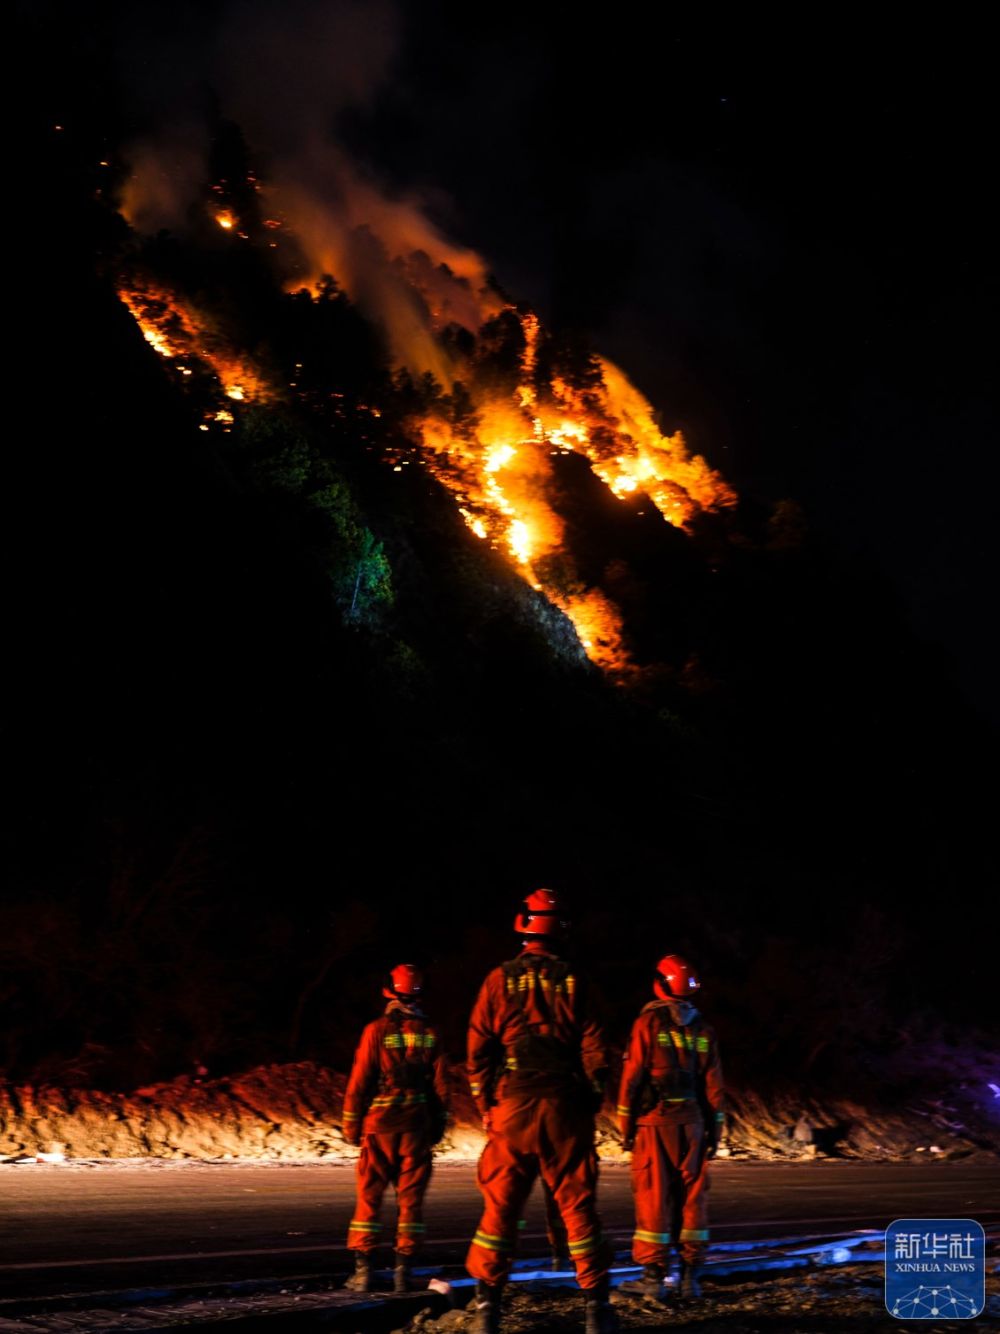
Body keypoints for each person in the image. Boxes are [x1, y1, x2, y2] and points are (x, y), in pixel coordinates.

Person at [465, 888, 618, 1334]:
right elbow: (595, 1048)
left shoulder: (499, 979)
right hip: (565, 1106)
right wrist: (590, 1100)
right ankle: (597, 1310)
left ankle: (487, 1311)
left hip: (514, 1106)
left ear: (524, 924)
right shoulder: (577, 980)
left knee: (500, 1208)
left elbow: (478, 1050)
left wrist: (486, 1104)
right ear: (562, 928)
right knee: (578, 1208)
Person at [616, 953, 724, 1300]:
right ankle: (691, 1278)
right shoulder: (703, 1029)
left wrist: (625, 1125)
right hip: (693, 1125)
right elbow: (715, 1086)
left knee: (654, 1198)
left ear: (661, 984)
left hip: (654, 1125)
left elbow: (631, 1079)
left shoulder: (648, 1024)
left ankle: (653, 1278)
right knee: (692, 1199)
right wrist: (715, 1131)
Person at [341, 963, 449, 1293]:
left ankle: (363, 1273)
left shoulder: (376, 1030)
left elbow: (360, 1080)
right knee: (411, 1202)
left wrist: (351, 1123)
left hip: (380, 1127)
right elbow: (442, 1086)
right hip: (416, 1127)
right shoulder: (432, 1033)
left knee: (369, 1198)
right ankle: (404, 1272)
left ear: (389, 990)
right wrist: (437, 1126)